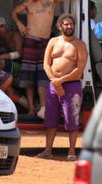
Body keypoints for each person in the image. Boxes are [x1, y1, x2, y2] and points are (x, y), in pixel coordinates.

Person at [11, 0, 85, 118]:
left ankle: (44, 109)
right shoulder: (28, 2)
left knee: (43, 75)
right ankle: (31, 109)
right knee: (28, 77)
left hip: (46, 42)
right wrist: (19, 23)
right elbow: (13, 12)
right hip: (30, 41)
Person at [37, 14, 87, 161]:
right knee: (50, 119)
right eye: (66, 24)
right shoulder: (53, 41)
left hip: (71, 85)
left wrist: (61, 81)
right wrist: (54, 80)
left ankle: (71, 151)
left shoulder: (80, 44)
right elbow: (46, 63)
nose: (69, 26)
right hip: (53, 84)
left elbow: (80, 69)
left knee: (72, 119)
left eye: (71, 24)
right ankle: (48, 150)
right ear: (60, 26)